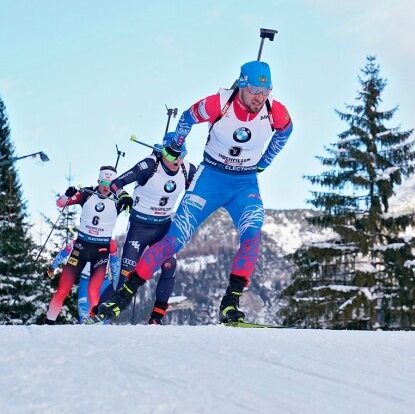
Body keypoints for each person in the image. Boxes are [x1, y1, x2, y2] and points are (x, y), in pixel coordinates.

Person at [92, 60, 292, 324]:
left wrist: (265, 162)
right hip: (210, 179)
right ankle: (125, 295)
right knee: (173, 241)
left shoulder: (274, 110)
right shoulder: (218, 103)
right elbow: (187, 117)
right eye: (255, 89)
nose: (260, 97)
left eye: (265, 92)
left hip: (244, 184)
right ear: (242, 84)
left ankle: (230, 303)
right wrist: (176, 144)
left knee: (253, 232)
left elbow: (286, 132)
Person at [95, 134, 197, 324]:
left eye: (182, 155)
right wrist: (124, 196)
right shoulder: (149, 165)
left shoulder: (187, 169)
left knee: (170, 265)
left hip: (164, 228)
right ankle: (96, 315)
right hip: (140, 228)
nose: (178, 160)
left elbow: (200, 188)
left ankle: (156, 318)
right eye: (174, 156)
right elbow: (116, 184)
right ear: (163, 152)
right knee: (125, 275)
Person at [44, 166, 130, 324]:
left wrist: (118, 284)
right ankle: (48, 324)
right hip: (81, 248)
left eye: (110, 183)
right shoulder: (87, 193)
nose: (106, 187)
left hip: (101, 251)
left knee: (94, 293)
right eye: (103, 182)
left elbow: (115, 263)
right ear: (98, 181)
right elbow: (61, 203)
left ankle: (95, 331)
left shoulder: (119, 200)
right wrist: (67, 194)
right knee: (62, 290)